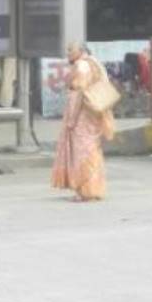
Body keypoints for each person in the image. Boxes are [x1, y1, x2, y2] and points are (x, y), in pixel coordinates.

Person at [51, 42, 116, 201]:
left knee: (81, 152)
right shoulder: (94, 63)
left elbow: (79, 94)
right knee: (92, 149)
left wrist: (72, 118)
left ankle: (85, 191)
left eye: (71, 50)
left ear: (80, 51)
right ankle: (95, 189)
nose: (68, 53)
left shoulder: (81, 66)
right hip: (93, 113)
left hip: (82, 115)